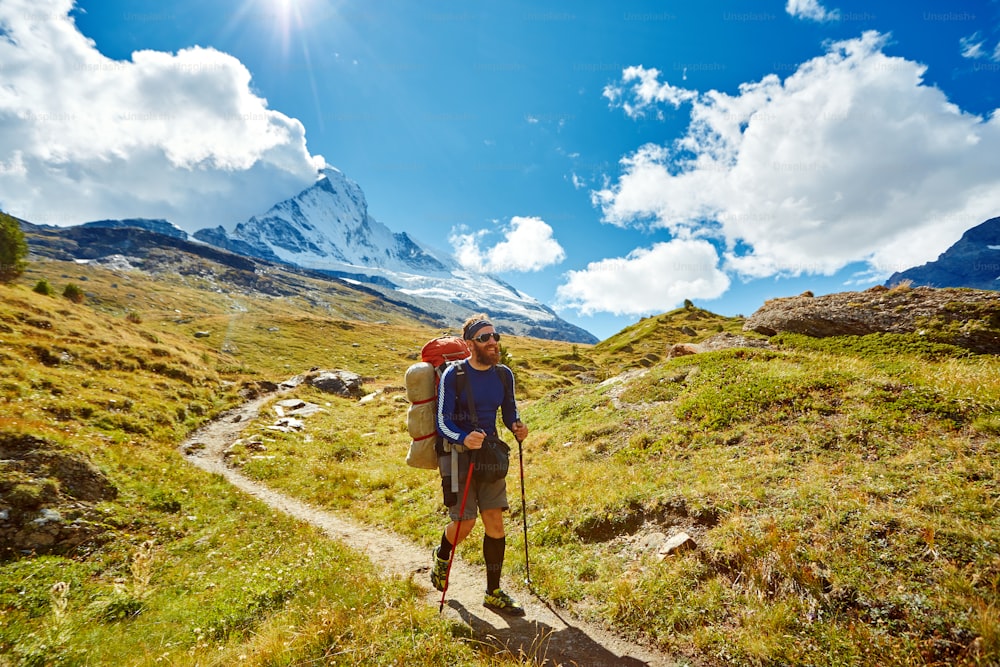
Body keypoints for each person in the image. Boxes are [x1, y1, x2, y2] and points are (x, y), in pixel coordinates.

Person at [431, 314, 529, 615]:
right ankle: (443, 554)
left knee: (495, 522)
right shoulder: (454, 375)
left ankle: (493, 591)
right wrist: (463, 437)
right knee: (464, 522)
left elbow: (509, 410)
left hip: (490, 456)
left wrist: (516, 425)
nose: (493, 342)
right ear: (471, 343)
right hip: (457, 456)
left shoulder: (504, 375)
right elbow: (442, 420)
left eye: (495, 336)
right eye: (485, 338)